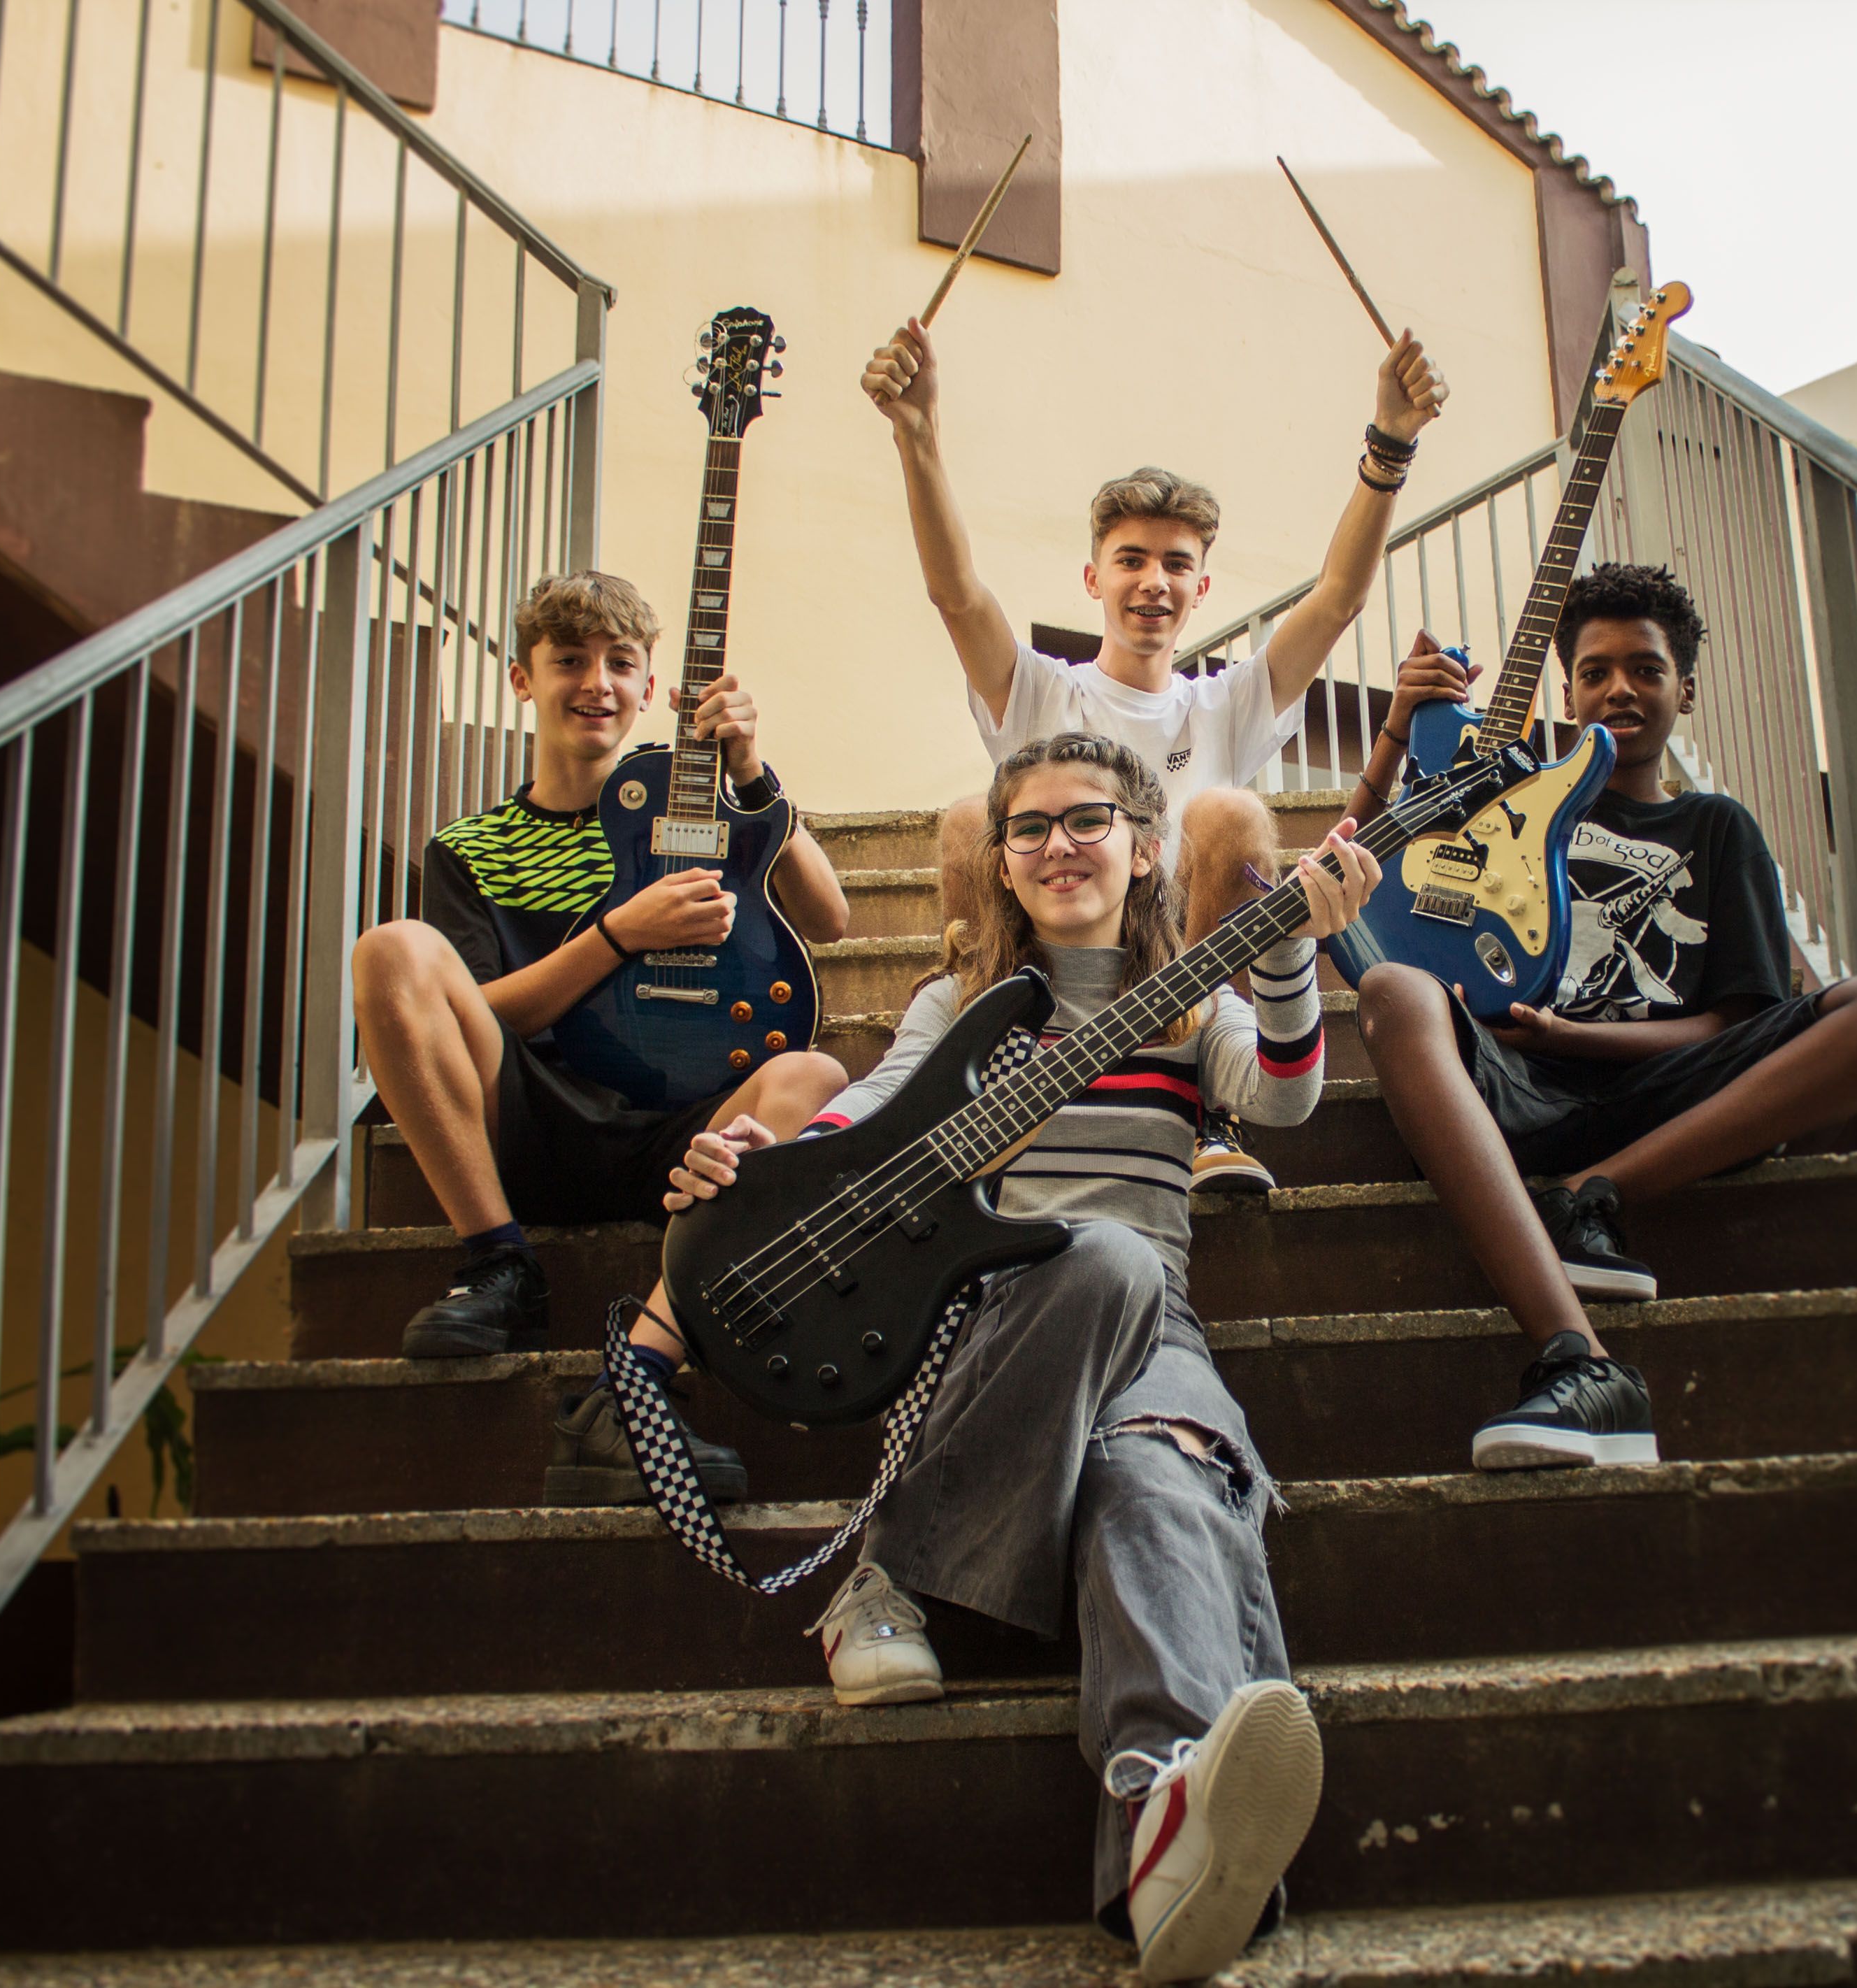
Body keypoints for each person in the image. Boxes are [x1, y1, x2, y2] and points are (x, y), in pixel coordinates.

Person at [650, 731, 1377, 1983]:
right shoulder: (958, 1007)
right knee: (1101, 1258)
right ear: (1000, 859)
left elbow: (1281, 1098)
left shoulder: (1194, 1003)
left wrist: (1292, 952)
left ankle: (1162, 1815)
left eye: (1086, 818)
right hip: (983, 1328)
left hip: (1153, 1343)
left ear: (1146, 845)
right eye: (1028, 825)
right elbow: (854, 1120)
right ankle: (881, 1574)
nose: (1056, 843)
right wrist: (743, 1173)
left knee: (1156, 1474)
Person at [1348, 564, 1857, 1471]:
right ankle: (1582, 1362)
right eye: (1595, 670)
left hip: (1676, 1096)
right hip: (1511, 1089)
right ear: (1568, 689)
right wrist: (1398, 731)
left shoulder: (1717, 828)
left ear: (1686, 687)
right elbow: (1348, 882)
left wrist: (1572, 1035)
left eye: (1645, 667)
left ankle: (1589, 1193)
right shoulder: (1509, 804)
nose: (1619, 687)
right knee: (1393, 990)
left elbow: (1729, 1025)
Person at [861, 313, 1443, 1193]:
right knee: (970, 819)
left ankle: (1206, 1101)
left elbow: (1336, 600)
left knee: (1233, 812)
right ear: (1093, 578)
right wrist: (917, 436)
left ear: (1201, 586)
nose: (1153, 582)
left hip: (1173, 975)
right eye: (1129, 559)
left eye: (1176, 563)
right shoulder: (1041, 692)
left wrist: (1389, 443)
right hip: (1047, 955)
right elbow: (955, 594)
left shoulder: (1226, 703)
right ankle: (980, 1067)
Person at [350, 571, 853, 1506]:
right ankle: (500, 1262)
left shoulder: (691, 815)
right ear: (520, 678)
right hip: (528, 1115)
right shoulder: (472, 844)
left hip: (683, 1138)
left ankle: (641, 1378)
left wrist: (750, 767)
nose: (598, 682)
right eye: (569, 660)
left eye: (621, 663)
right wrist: (620, 933)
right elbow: (483, 1009)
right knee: (391, 951)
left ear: (654, 685)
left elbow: (829, 918)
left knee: (818, 1072)